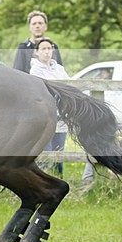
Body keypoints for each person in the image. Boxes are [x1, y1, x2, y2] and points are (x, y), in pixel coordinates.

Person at [29, 38, 69, 177]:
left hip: (61, 113)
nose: (47, 52)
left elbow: (68, 87)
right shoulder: (35, 71)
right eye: (43, 49)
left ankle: (59, 177)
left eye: (49, 48)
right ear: (36, 52)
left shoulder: (59, 69)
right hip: (45, 115)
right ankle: (44, 179)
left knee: (59, 150)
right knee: (46, 150)